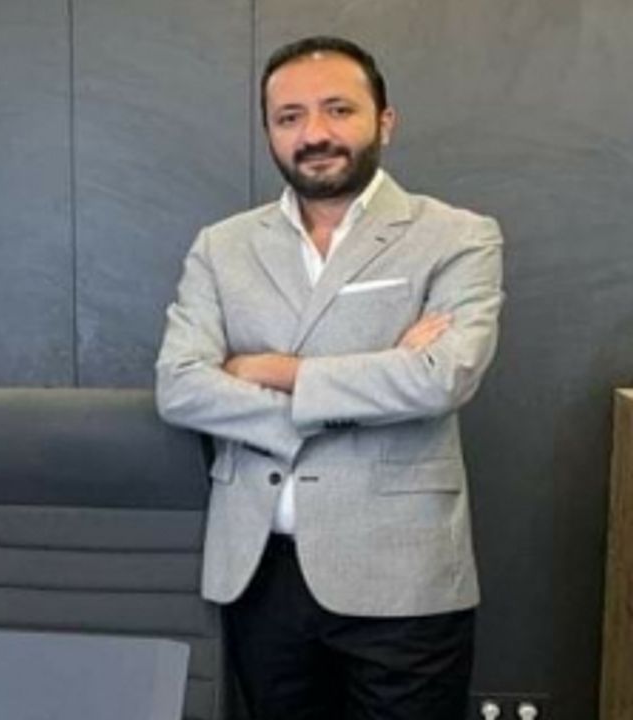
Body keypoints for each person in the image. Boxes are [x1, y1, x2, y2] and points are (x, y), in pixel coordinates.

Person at [155, 36, 504, 720]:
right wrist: (379, 377)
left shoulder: (457, 236)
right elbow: (181, 385)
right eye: (289, 117)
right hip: (259, 573)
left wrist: (269, 370)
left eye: (338, 109)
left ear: (384, 120)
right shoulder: (222, 247)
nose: (314, 133)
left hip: (401, 573)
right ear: (269, 132)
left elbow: (440, 378)